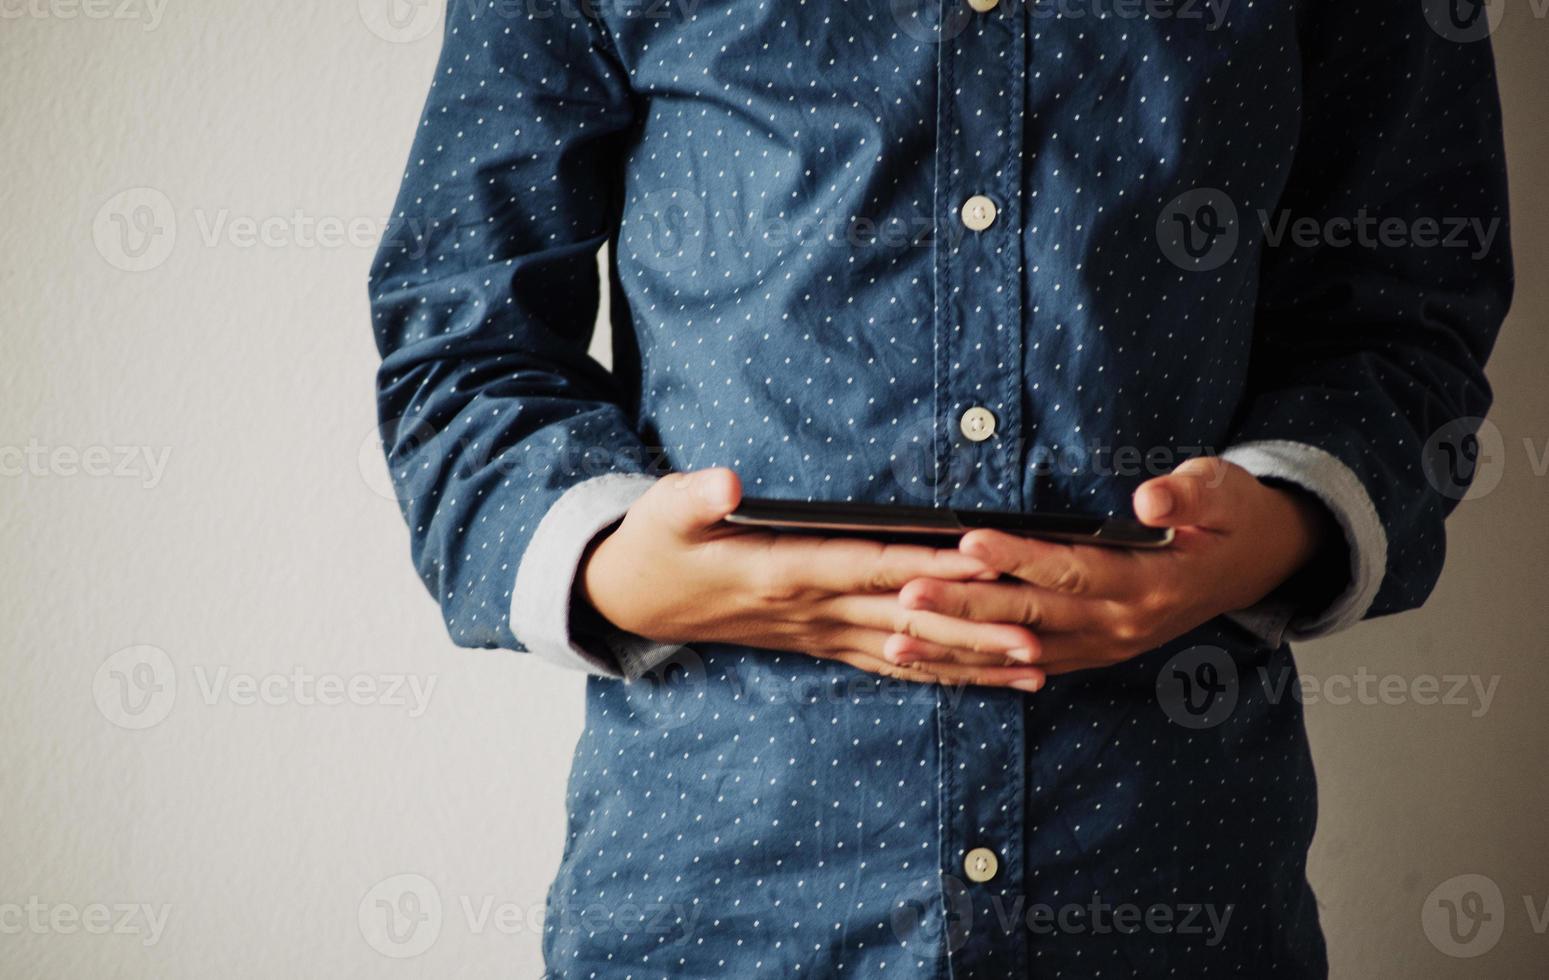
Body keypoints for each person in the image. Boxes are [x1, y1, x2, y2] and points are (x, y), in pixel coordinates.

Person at [368, 0, 1511, 974]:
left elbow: (1407, 312)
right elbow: (463, 344)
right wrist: (619, 571)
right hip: (711, 898)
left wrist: (1271, 531)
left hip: (1169, 873)